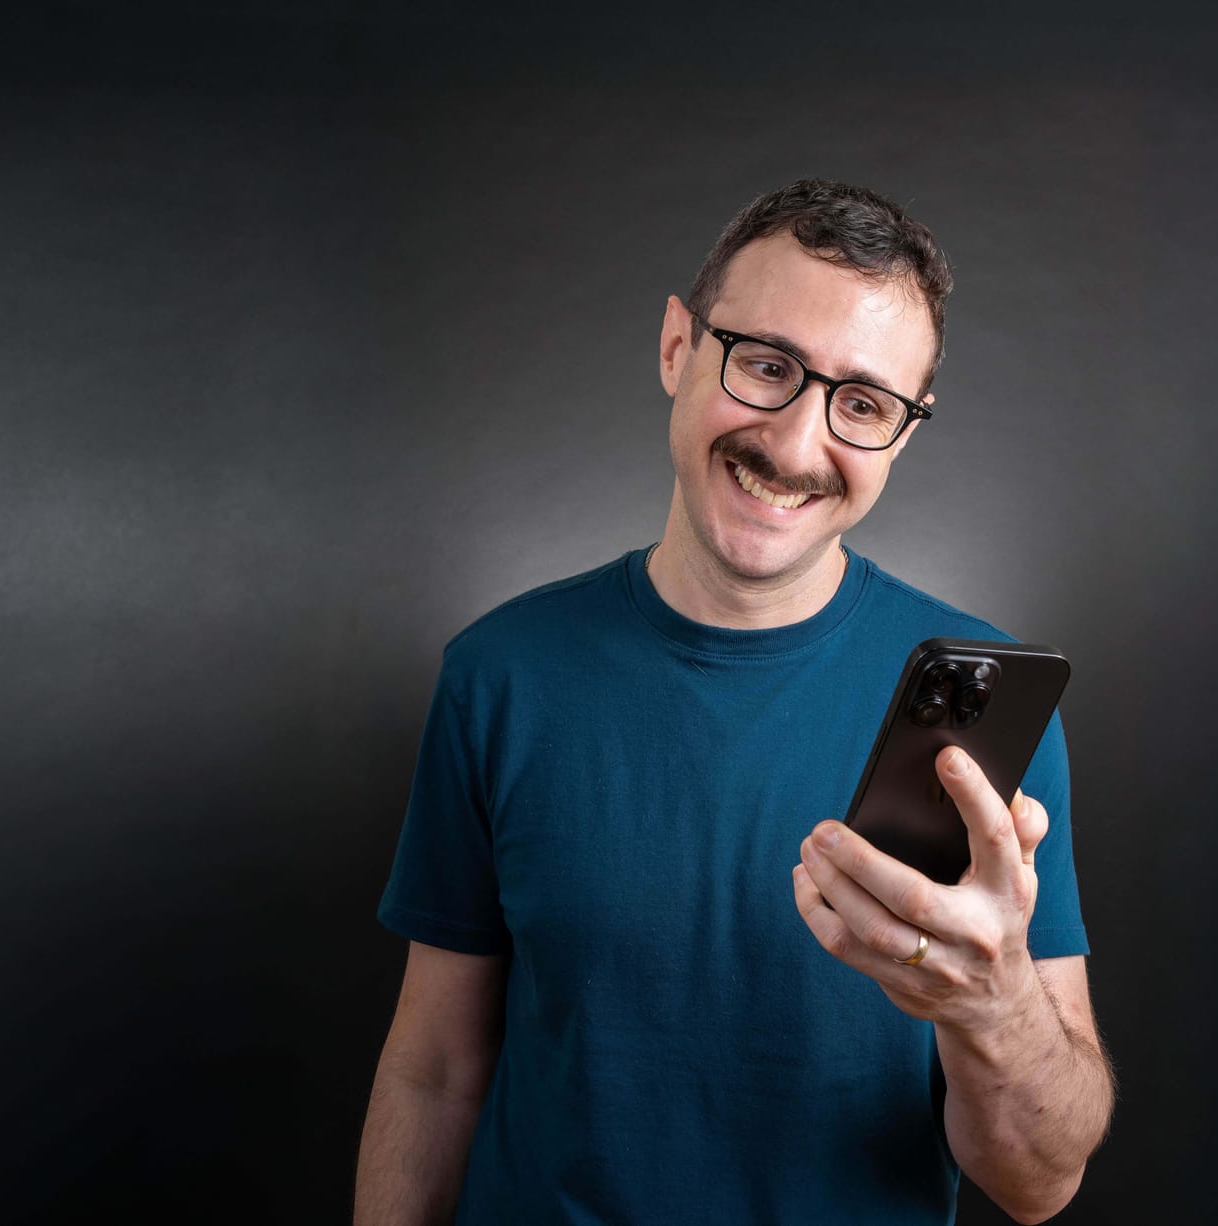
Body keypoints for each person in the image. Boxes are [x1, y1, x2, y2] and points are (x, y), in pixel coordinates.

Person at [353, 179, 1115, 1225]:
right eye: (765, 365)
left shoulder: (992, 729)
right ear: (677, 348)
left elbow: (1040, 1183)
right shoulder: (498, 674)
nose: (797, 446)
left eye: (861, 403)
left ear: (903, 433)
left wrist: (989, 1005)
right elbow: (433, 1069)